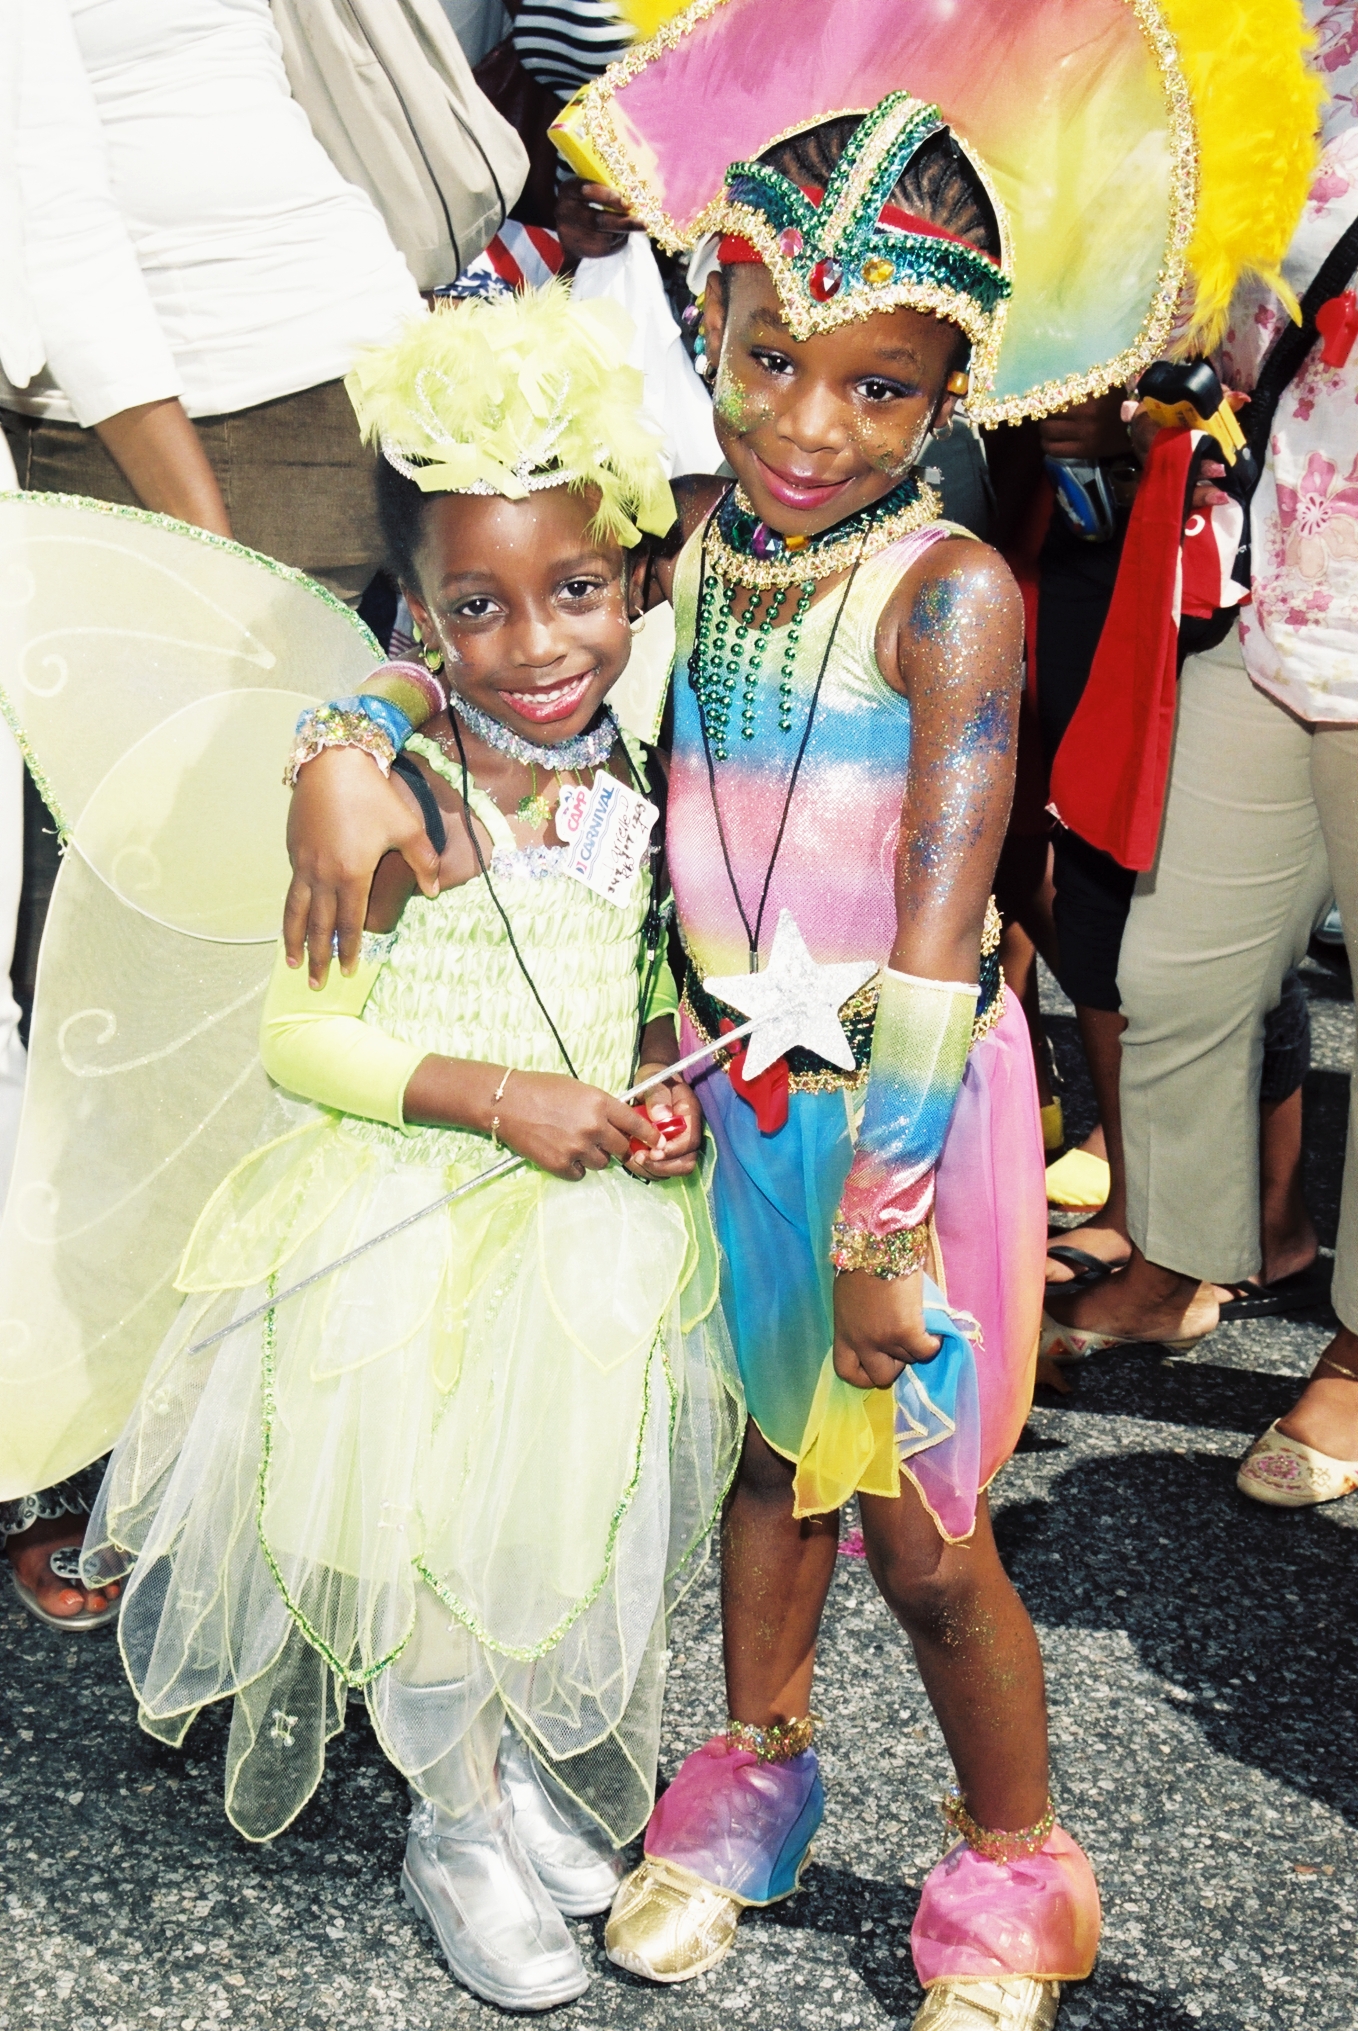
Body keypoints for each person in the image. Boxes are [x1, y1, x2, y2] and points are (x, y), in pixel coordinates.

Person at [275, 6, 1317, 2019]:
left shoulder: (947, 595)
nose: (810, 424)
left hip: (899, 1131)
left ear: (956, 385)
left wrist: (883, 1225)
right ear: (712, 322)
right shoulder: (712, 553)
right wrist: (345, 731)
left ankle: (1013, 1869)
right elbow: (507, 659)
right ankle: (750, 1777)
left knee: (924, 1532)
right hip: (743, 1101)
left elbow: (934, 934)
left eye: (877, 385)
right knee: (770, 1476)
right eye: (769, 361)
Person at [71, 289, 741, 2010]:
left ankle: (508, 1773)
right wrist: (509, 1097)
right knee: (428, 1531)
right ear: (417, 610)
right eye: (476, 606)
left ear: (634, 577)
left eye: (576, 590)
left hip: (582, 1228)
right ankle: (451, 1816)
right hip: (408, 1224)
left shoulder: (632, 753)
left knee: (550, 1513)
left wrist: (650, 1072)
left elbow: (636, 970)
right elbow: (304, 1043)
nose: (536, 643)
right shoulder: (391, 789)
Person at [1042, 108, 1358, 1507]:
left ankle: (1355, 1357)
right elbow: (1223, 322)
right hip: (1273, 609)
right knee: (1176, 976)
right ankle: (1177, 1264)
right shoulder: (1278, 44)